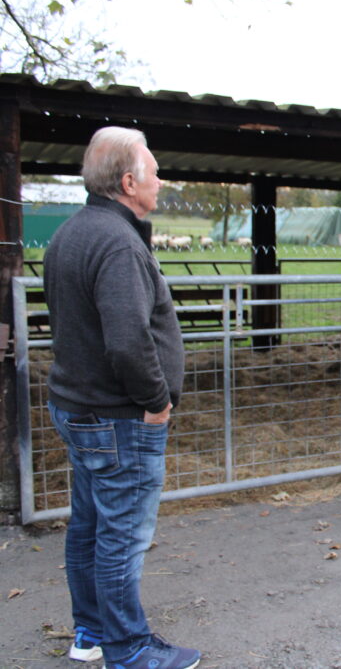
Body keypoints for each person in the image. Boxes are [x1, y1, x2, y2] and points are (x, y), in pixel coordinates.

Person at [45, 127, 200, 668]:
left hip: (78, 407)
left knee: (89, 527)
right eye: (154, 172)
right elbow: (128, 340)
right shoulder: (117, 242)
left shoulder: (71, 233)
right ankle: (128, 649)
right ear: (130, 182)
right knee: (121, 537)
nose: (162, 180)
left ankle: (90, 633)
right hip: (118, 418)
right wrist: (157, 401)